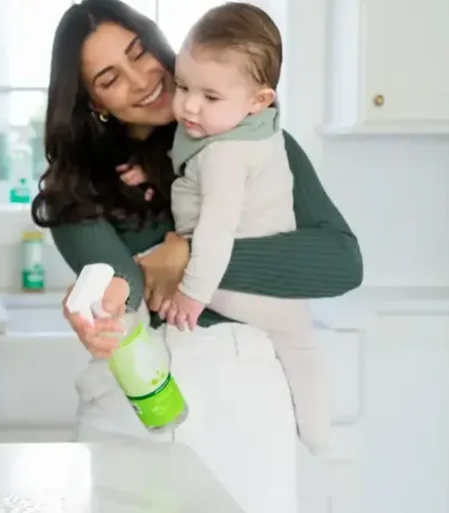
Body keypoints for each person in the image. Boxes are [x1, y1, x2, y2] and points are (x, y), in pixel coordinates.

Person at [30, 1, 363, 512]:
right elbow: (125, 282)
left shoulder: (257, 138)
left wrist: (187, 255)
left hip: (242, 398)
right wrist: (98, 301)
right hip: (135, 404)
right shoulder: (76, 187)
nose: (141, 80)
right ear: (93, 102)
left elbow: (340, 261)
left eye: (139, 54)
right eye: (109, 78)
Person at [120, 2, 330, 455]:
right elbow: (186, 171)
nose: (189, 105)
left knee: (296, 343)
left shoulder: (226, 154)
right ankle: (318, 433)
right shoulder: (239, 129)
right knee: (301, 348)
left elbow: (216, 229)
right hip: (273, 287)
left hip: (234, 282)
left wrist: (193, 293)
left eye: (209, 97)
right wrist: (149, 177)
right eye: (183, 85)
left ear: (260, 101)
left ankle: (316, 436)